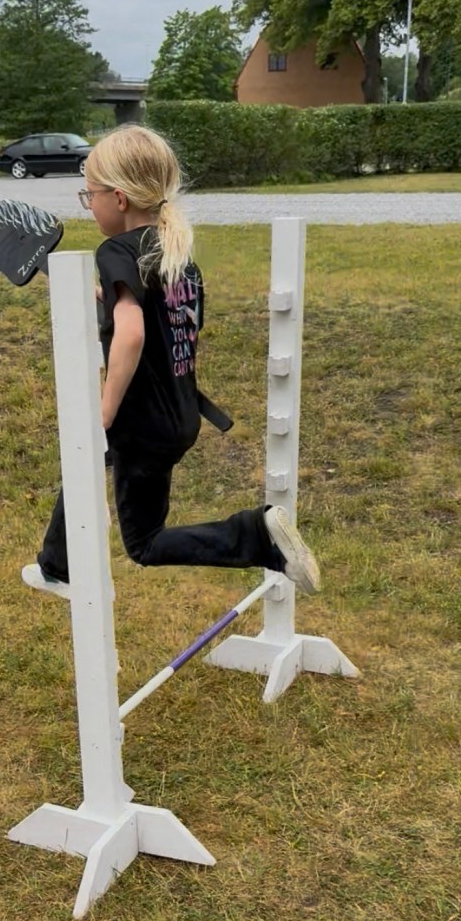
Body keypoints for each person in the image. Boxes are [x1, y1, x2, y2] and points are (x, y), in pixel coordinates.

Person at [22, 125, 320, 601]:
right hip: (177, 416)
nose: (88, 204)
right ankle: (57, 565)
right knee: (89, 458)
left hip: (141, 423)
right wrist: (99, 296)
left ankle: (254, 535)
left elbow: (133, 333)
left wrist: (103, 412)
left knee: (143, 541)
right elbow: (161, 320)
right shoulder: (175, 252)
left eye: (89, 194)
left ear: (119, 198)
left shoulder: (116, 250)